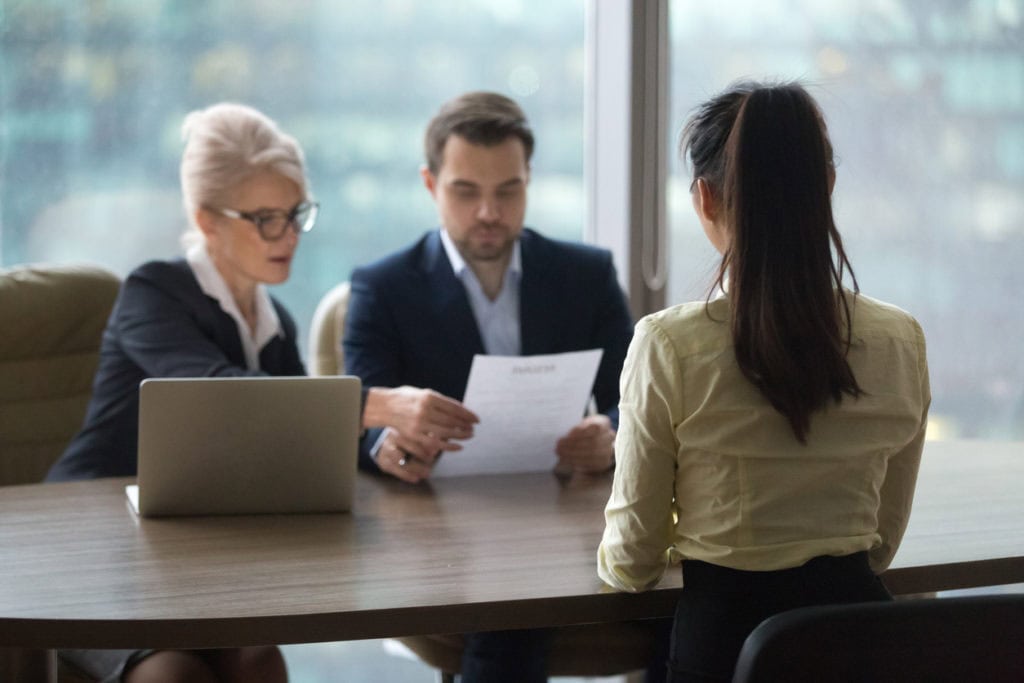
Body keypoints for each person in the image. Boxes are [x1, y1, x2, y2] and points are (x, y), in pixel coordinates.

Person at [44, 102, 472, 682]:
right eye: (266, 218)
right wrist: (381, 403)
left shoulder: (274, 326)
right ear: (208, 221)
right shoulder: (153, 293)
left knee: (259, 660)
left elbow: (301, 436)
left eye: (295, 214)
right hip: (94, 538)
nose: (288, 235)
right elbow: (220, 393)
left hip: (192, 544)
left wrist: (381, 446)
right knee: (173, 675)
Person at [597, 80, 931, 683]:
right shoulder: (899, 339)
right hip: (862, 650)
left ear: (705, 198)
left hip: (726, 655)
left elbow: (632, 562)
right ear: (827, 186)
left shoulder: (668, 345)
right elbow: (879, 545)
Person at [343, 92, 645, 681]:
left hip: (568, 513)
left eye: (508, 190)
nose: (488, 211)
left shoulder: (586, 275)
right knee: (514, 614)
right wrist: (388, 446)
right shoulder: (382, 286)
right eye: (466, 191)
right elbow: (360, 415)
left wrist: (610, 433)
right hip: (447, 527)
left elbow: (638, 400)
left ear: (528, 181)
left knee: (689, 606)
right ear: (430, 184)